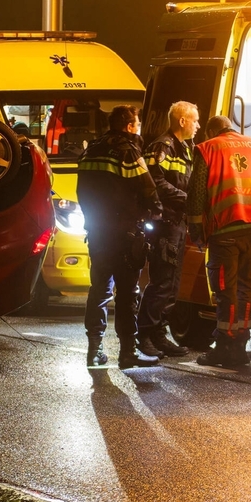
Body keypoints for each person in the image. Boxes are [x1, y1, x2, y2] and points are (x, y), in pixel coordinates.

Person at [185, 115, 251, 369]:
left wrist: (195, 228)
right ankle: (241, 348)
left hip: (226, 229)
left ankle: (224, 347)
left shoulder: (207, 148)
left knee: (225, 291)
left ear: (211, 131)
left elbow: (196, 192)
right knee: (246, 290)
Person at [77, 105, 163, 369]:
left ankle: (95, 349)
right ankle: (127, 352)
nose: (137, 128)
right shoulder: (128, 151)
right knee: (127, 292)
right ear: (128, 126)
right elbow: (147, 187)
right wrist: (157, 211)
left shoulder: (92, 148)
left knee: (99, 290)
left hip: (98, 231)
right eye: (136, 123)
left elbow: (82, 190)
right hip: (125, 233)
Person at [137, 101, 200, 359]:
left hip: (178, 222)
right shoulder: (162, 146)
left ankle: (159, 334)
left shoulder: (187, 148)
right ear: (182, 121)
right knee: (162, 281)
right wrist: (186, 198)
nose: (198, 125)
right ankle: (145, 334)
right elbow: (155, 181)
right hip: (165, 222)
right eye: (194, 120)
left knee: (172, 283)